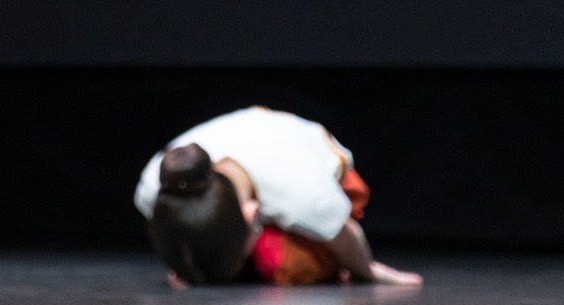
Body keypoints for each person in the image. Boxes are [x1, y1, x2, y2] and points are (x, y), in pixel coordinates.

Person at [134, 105, 423, 288]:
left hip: (319, 170)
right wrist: (187, 264)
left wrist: (367, 271)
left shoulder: (303, 194)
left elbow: (345, 233)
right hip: (247, 144)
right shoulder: (154, 185)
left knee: (281, 263)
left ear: (252, 216)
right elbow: (172, 224)